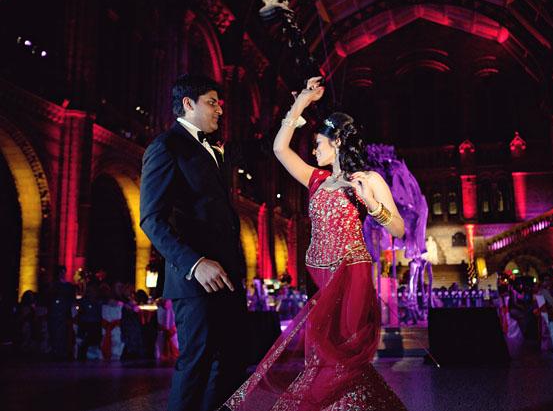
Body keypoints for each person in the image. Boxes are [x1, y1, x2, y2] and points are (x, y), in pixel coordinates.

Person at [224, 77, 407, 410]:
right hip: (321, 276)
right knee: (320, 354)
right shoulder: (316, 178)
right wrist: (302, 103)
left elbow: (398, 228)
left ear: (337, 142)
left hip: (351, 272)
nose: (314, 149)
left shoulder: (366, 179)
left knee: (342, 355)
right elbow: (280, 148)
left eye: (319, 143)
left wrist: (374, 205)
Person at [140, 74, 247, 411]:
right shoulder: (165, 146)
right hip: (195, 280)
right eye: (212, 103)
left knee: (232, 364)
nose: (219, 110)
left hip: (228, 277)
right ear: (189, 104)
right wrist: (195, 263)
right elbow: (151, 220)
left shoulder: (215, 150)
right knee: (196, 366)